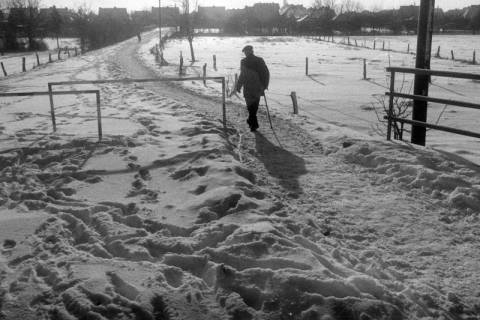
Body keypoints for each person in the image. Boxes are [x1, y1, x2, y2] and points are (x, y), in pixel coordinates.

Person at [236, 45, 270, 132]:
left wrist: (264, 85)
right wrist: (239, 85)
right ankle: (252, 122)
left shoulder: (257, 60)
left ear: (251, 51)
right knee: (252, 106)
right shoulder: (245, 61)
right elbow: (243, 75)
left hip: (253, 87)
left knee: (252, 106)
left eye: (247, 51)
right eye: (245, 52)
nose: (246, 53)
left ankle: (253, 123)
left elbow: (265, 73)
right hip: (252, 87)